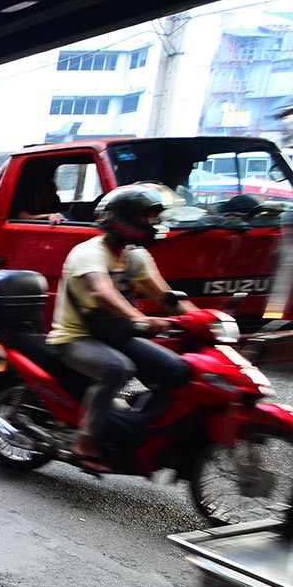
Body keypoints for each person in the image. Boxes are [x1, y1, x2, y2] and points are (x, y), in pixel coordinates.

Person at [46, 184, 193, 472]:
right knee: (117, 368)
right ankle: (84, 441)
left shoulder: (135, 255)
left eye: (154, 218)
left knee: (177, 368)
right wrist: (137, 318)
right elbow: (102, 291)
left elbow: (164, 296)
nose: (152, 224)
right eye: (145, 218)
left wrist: (204, 320)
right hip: (74, 339)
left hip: (114, 334)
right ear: (122, 219)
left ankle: (138, 427)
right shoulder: (89, 252)